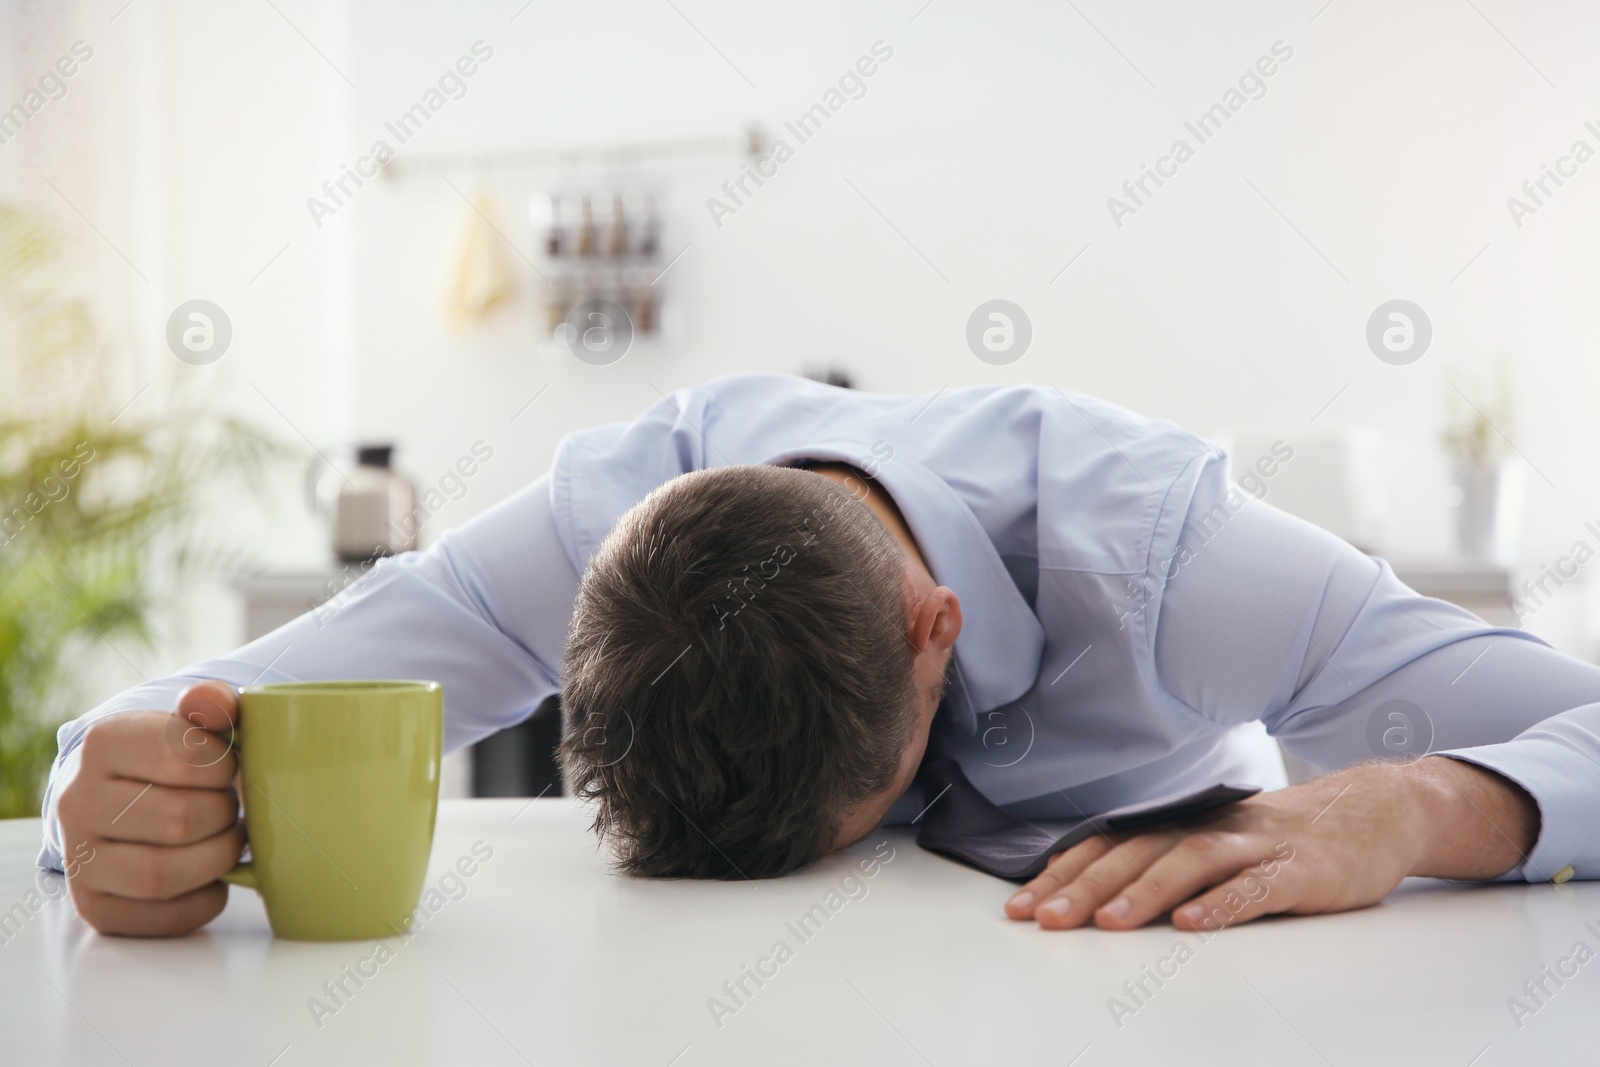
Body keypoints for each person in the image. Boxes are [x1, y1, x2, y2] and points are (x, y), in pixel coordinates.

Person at [39, 374, 1600, 938]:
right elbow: (167, 716)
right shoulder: (601, 523)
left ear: (947, 636)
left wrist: (1408, 807)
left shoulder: (1178, 567)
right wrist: (89, 803)